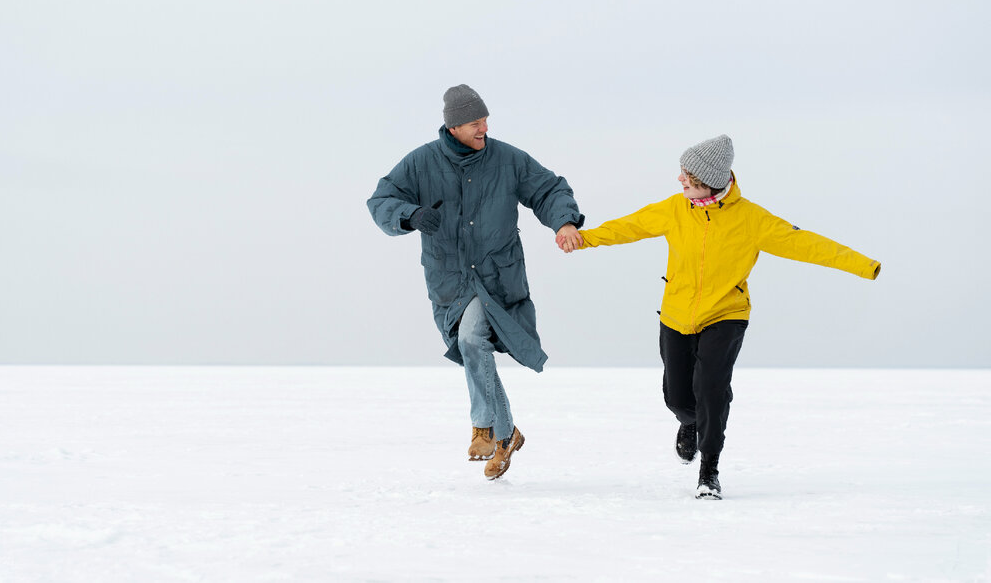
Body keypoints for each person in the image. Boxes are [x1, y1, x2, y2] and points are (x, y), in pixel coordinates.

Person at [560, 134, 880, 499]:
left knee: (711, 388)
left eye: (688, 178)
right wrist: (585, 238)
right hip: (677, 314)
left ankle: (709, 468)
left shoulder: (751, 220)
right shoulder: (674, 209)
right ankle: (690, 422)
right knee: (677, 397)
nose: (680, 181)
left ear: (709, 182)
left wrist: (863, 266)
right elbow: (628, 226)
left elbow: (808, 244)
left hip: (726, 313)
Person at [368, 84, 585, 480]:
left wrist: (564, 221)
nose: (484, 129)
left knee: (471, 341)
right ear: (453, 127)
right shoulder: (420, 163)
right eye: (474, 123)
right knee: (473, 349)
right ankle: (508, 435)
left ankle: (483, 428)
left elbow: (548, 188)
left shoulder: (506, 159)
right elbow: (381, 200)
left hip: (497, 278)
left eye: (486, 120)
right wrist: (412, 215)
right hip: (449, 280)